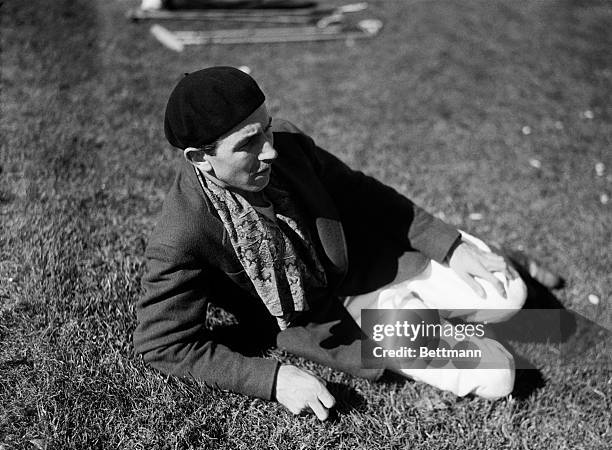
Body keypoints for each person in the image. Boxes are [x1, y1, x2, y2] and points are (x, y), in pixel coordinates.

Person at [134, 67, 531, 421]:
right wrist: (273, 379)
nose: (270, 150)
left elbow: (362, 191)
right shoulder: (181, 236)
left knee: (511, 294)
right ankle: (427, 320)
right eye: (249, 143)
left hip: (376, 261)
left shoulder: (287, 144)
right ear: (200, 157)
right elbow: (163, 343)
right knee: (499, 375)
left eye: (267, 128)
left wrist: (449, 245)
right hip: (345, 320)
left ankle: (473, 279)